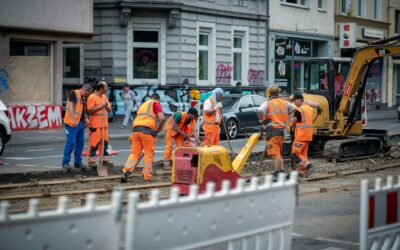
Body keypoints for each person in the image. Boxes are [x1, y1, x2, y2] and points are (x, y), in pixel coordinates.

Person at [121, 93, 165, 181]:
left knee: (134, 153)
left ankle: (126, 171)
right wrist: (158, 130)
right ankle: (147, 175)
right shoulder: (155, 103)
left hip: (136, 130)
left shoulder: (143, 105)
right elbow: (162, 118)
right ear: (157, 99)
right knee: (148, 154)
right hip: (148, 131)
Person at [258, 85, 295, 181]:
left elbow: (260, 110)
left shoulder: (268, 103)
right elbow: (294, 109)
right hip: (281, 130)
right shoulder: (285, 103)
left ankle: (277, 173)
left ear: (270, 94)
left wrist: (262, 120)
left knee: (275, 153)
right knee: (279, 152)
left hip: (272, 130)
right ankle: (281, 172)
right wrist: (286, 115)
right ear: (278, 93)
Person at [62, 83, 93, 171]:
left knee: (80, 143)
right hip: (71, 123)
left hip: (79, 124)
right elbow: (70, 106)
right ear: (86, 90)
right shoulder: (74, 93)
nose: (88, 96)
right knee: (70, 143)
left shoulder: (82, 97)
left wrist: (85, 119)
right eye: (88, 94)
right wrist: (73, 119)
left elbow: (82, 111)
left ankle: (78, 163)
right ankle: (65, 163)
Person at [290, 93, 320, 178]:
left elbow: (294, 121)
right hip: (308, 135)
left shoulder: (299, 110)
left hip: (300, 136)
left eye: (295, 101)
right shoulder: (309, 108)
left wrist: (293, 127)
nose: (295, 103)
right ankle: (305, 171)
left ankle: (309, 166)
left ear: (298, 100)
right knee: (303, 154)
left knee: (294, 154)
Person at [87, 81, 114, 168]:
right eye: (106, 87)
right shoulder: (92, 97)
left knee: (105, 142)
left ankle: (104, 159)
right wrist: (100, 106)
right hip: (95, 124)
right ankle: (91, 160)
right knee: (94, 142)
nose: (107, 89)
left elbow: (109, 109)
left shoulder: (104, 97)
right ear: (101, 88)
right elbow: (90, 110)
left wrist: (106, 106)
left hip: (104, 124)